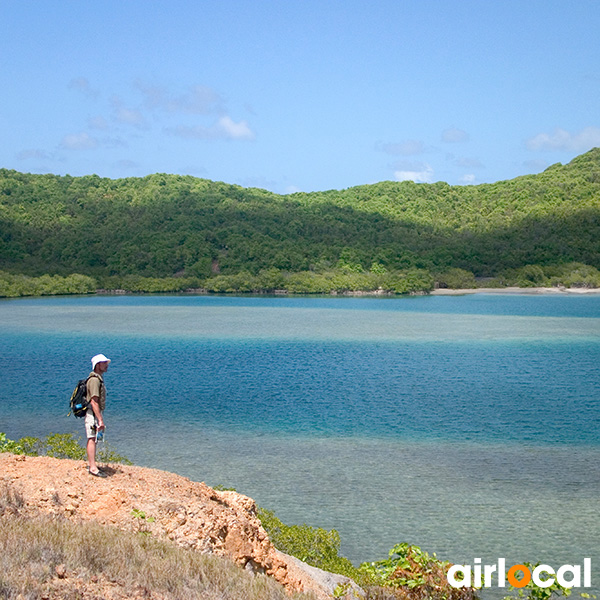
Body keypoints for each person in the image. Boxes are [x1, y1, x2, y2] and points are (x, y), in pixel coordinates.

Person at [85, 353, 111, 477]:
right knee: (92, 438)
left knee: (94, 438)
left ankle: (92, 464)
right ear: (97, 365)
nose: (106, 365)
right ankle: (93, 467)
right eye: (104, 363)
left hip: (94, 413)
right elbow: (94, 401)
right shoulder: (95, 380)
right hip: (93, 413)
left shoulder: (97, 379)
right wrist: (100, 419)